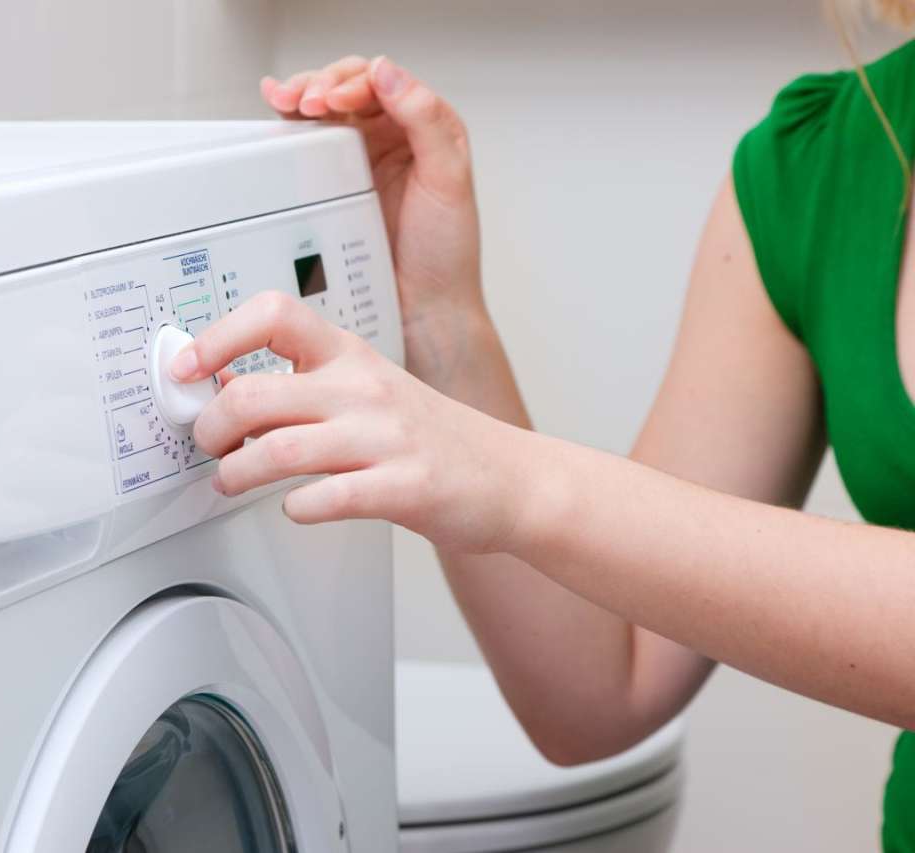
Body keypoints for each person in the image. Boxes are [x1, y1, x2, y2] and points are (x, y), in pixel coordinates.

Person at [169, 5, 915, 848]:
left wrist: (518, 480)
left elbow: (533, 497)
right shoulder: (818, 165)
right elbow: (603, 689)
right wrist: (439, 323)